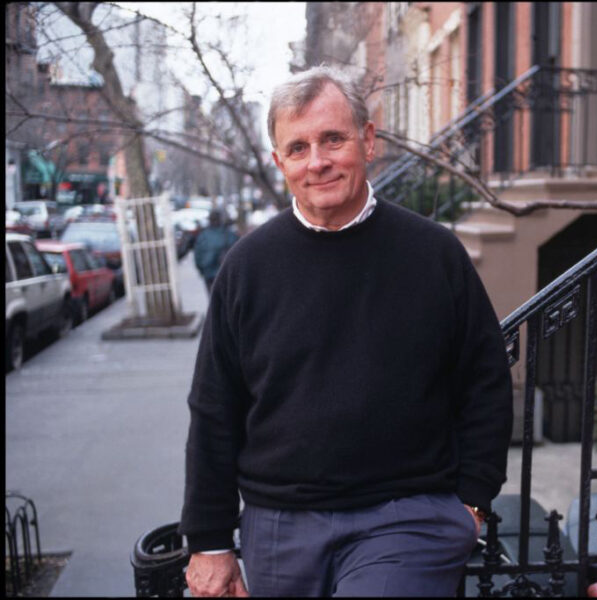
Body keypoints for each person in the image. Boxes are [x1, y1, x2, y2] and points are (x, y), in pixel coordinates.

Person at [179, 65, 514, 597]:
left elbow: (485, 378)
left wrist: (473, 499)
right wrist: (209, 541)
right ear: (279, 162)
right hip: (278, 523)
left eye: (333, 139)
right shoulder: (247, 266)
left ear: (368, 139)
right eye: (299, 147)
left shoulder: (433, 254)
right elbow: (215, 407)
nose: (318, 162)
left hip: (407, 515)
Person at [192, 209, 239, 293]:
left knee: (213, 299)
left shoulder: (203, 236)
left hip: (209, 274)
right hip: (227, 274)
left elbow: (197, 256)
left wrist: (201, 270)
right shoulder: (230, 235)